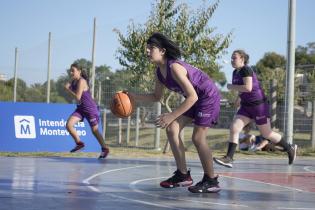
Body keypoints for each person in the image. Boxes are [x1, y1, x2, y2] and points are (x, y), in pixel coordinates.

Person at [127, 32, 221, 193]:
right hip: (195, 98)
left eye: (151, 48)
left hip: (208, 97)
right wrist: (132, 96)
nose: (147, 51)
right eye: (147, 48)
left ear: (162, 51)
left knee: (198, 137)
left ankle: (211, 180)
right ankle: (183, 175)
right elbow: (156, 97)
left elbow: (193, 96)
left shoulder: (174, 67)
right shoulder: (159, 72)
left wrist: (171, 115)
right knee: (172, 129)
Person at [213, 50, 297, 168]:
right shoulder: (234, 72)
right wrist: (239, 98)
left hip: (259, 106)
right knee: (234, 128)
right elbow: (242, 90)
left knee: (266, 133)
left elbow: (248, 88)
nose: (232, 60)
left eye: (234, 58)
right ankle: (229, 158)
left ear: (242, 59)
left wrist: (231, 86)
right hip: (246, 107)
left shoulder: (246, 69)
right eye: (231, 58)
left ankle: (289, 148)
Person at [64, 63, 109, 159]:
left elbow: (78, 97)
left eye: (73, 70)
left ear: (79, 71)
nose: (71, 72)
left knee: (94, 130)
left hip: (89, 108)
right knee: (68, 125)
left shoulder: (82, 81)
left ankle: (105, 148)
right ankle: (79, 143)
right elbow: (69, 88)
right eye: (70, 71)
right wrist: (70, 82)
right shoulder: (74, 81)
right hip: (81, 108)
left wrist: (68, 89)